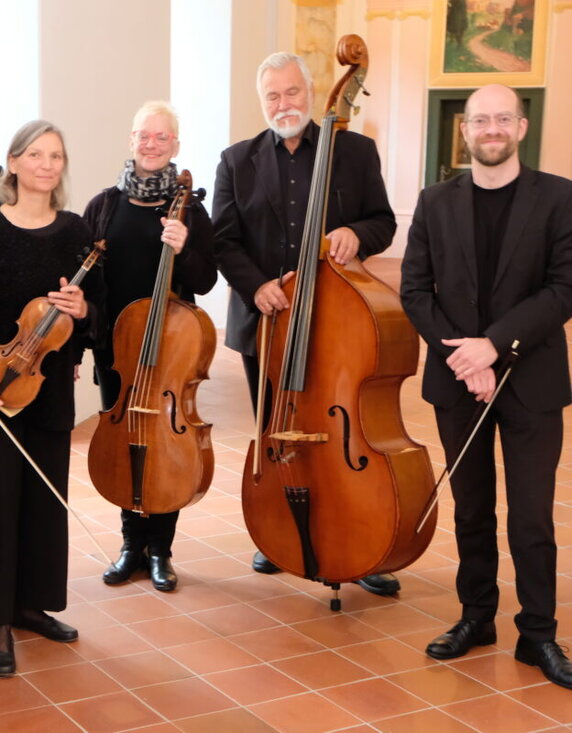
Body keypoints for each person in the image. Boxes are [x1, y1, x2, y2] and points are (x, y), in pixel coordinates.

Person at [400, 84, 572, 689]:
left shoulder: (559, 198)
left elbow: (563, 288)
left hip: (533, 381)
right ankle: (477, 616)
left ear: (521, 128)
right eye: (480, 120)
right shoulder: (433, 201)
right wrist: (466, 361)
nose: (491, 128)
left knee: (530, 516)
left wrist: (493, 346)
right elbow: (415, 291)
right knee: (471, 509)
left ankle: (539, 633)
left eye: (503, 118)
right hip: (458, 382)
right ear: (465, 131)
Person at [212, 51, 401, 596]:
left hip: (341, 323)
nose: (283, 104)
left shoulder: (355, 151)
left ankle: (361, 541)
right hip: (270, 323)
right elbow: (224, 239)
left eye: (291, 93)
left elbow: (383, 221)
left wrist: (356, 235)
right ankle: (278, 531)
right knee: (277, 430)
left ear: (313, 94)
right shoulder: (236, 160)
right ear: (262, 102)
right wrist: (256, 285)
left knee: (348, 427)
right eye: (272, 96)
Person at [0, 120, 102, 677]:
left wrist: (83, 314)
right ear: (13, 162)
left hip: (49, 388)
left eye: (56, 155)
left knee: (42, 503)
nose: (46, 164)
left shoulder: (77, 232)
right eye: (36, 154)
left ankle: (32, 606)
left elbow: (88, 323)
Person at [83, 101, 216, 592]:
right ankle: (128, 546)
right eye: (144, 135)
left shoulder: (190, 209)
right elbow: (86, 281)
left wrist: (183, 248)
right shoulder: (104, 206)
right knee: (125, 441)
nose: (152, 144)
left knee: (165, 446)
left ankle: (160, 551)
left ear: (175, 145)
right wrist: (83, 343)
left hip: (171, 352)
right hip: (116, 348)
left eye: (162, 137)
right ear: (131, 140)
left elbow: (205, 279)